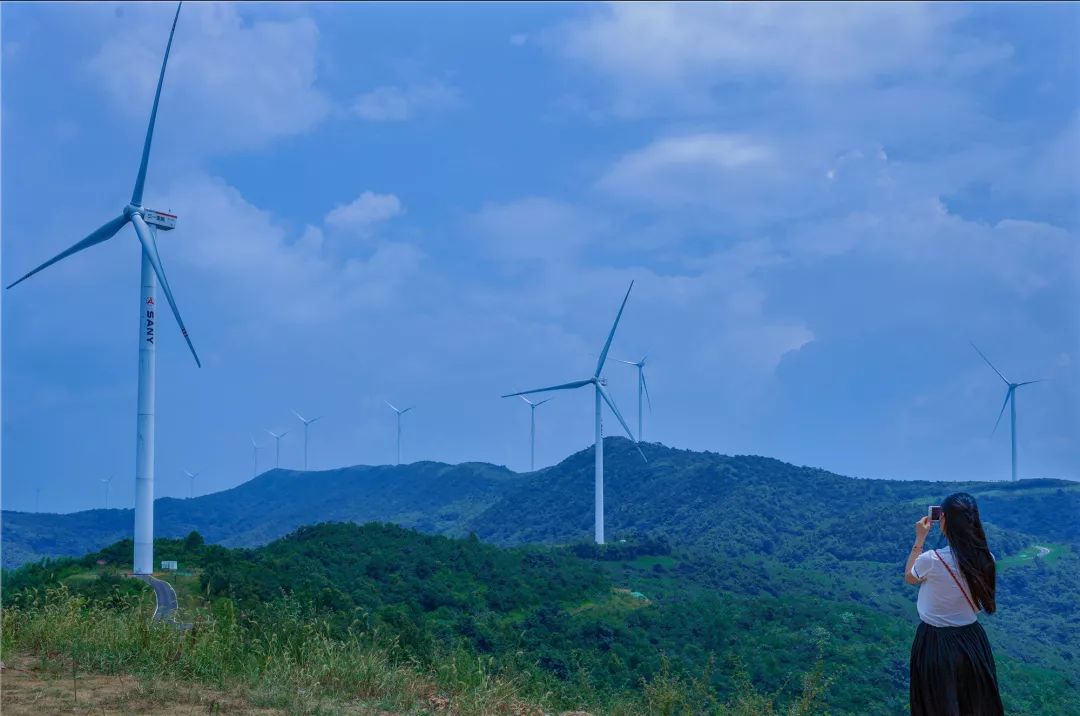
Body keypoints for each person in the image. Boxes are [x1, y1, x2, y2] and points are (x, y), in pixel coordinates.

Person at [904, 492, 1004, 715]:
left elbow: (910, 577)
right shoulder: (987, 558)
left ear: (945, 520)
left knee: (937, 704)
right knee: (975, 705)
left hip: (934, 642)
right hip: (972, 640)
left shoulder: (931, 559)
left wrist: (919, 539)